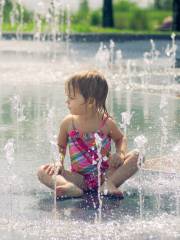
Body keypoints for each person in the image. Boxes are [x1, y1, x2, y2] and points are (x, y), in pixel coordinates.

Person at [37, 70, 139, 198]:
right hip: (79, 180)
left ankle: (109, 185)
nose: (67, 101)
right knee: (42, 171)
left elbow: (120, 139)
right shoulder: (68, 123)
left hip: (105, 176)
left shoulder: (106, 123)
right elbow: (61, 147)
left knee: (138, 156)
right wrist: (59, 162)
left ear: (90, 102)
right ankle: (69, 187)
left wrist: (120, 153)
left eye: (71, 98)